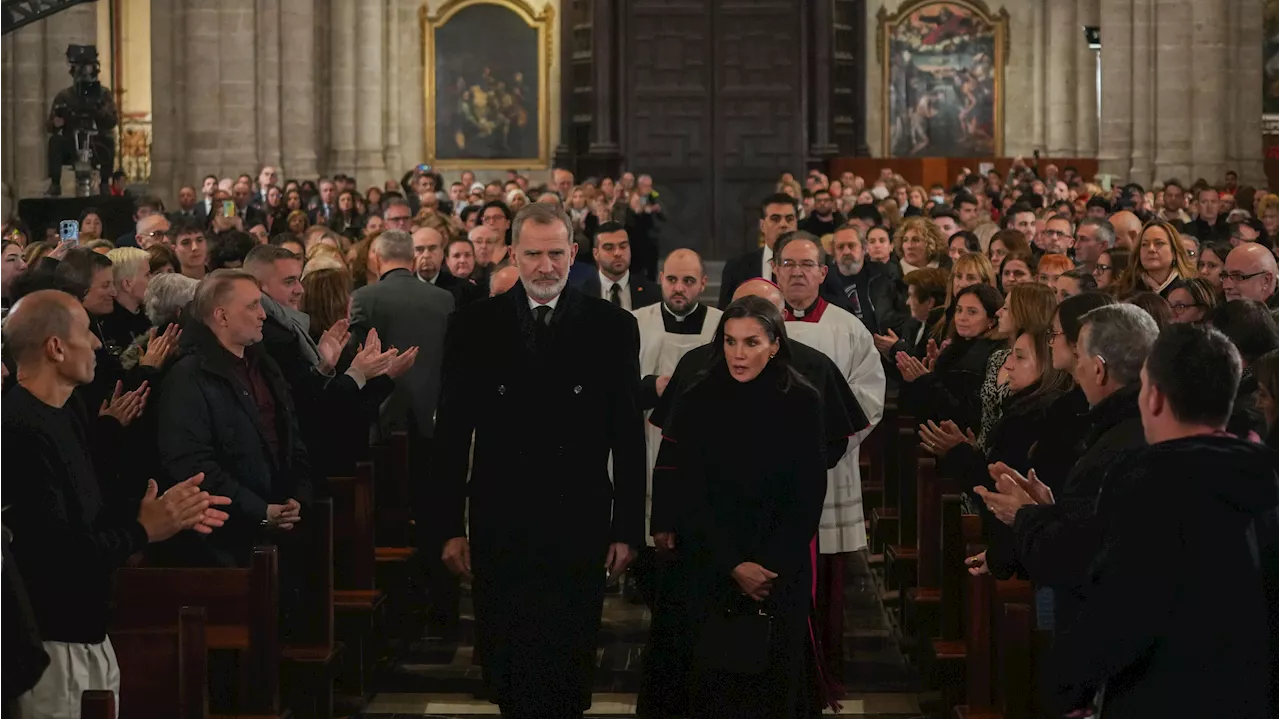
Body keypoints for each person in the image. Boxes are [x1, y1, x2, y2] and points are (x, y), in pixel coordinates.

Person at [429, 203, 646, 717]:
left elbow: (628, 437)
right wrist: (446, 526)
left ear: (573, 253)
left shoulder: (612, 326)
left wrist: (627, 528)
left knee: (570, 658)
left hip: (580, 516)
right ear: (513, 254)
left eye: (555, 253)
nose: (545, 266)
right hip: (500, 516)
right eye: (533, 254)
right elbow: (452, 435)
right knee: (507, 657)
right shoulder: (472, 324)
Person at [0, 290, 229, 715]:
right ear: (55, 347)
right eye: (86, 333)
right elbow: (57, 556)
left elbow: (88, 512)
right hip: (53, 643)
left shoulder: (65, 412)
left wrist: (162, 513)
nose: (96, 345)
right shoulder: (18, 430)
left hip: (88, 630)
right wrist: (143, 529)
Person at [1048, 324, 1275, 719]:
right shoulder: (1264, 476)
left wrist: (1066, 688)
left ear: (1152, 397)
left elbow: (1120, 612)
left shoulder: (1151, 486)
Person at [659, 296, 828, 719]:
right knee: (712, 687)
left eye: (751, 342)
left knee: (774, 686)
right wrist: (732, 564)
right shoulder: (698, 398)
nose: (739, 354)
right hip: (710, 562)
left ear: (774, 344)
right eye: (731, 342)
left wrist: (766, 566)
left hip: (778, 569)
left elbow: (808, 494)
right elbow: (689, 491)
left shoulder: (803, 401)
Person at [978, 304, 1158, 640]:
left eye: (1081, 360)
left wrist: (1025, 515)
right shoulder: (1137, 425)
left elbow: (1076, 552)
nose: (1076, 369)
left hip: (1102, 627)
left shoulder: (1116, 443)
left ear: (1099, 370)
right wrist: (1048, 508)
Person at [157, 270, 311, 567]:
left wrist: (298, 496)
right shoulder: (187, 378)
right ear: (222, 316)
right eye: (252, 306)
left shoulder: (263, 364)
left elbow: (290, 436)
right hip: (226, 543)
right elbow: (192, 464)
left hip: (279, 524)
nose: (263, 315)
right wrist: (259, 510)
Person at [719, 193, 799, 307]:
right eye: (775, 219)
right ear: (762, 225)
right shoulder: (737, 266)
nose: (783, 224)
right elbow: (724, 312)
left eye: (789, 219)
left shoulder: (813, 266)